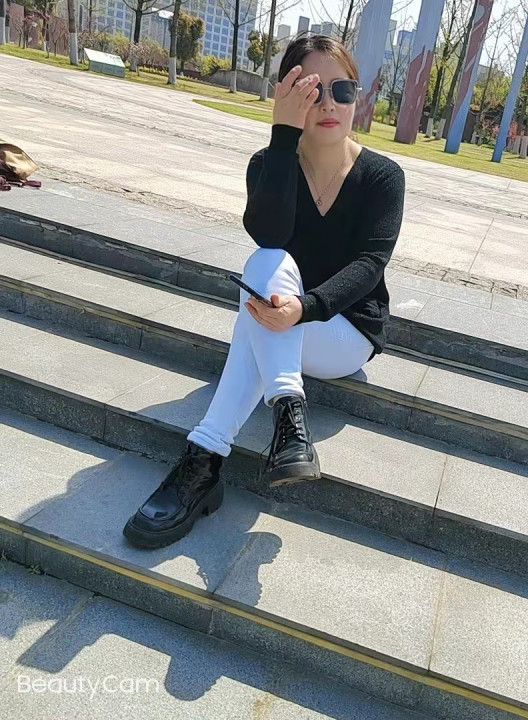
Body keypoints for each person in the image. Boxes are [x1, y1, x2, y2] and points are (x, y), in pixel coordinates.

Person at [123, 33, 406, 549]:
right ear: (287, 94)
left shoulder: (383, 177)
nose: (329, 104)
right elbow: (269, 234)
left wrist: (306, 309)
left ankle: (202, 463)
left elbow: (370, 265)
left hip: (343, 334)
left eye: (343, 90)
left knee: (255, 313)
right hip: (280, 318)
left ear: (357, 98)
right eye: (312, 90)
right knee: (266, 262)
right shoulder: (267, 163)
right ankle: (280, 425)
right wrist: (283, 134)